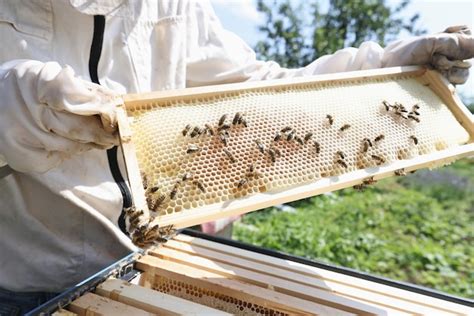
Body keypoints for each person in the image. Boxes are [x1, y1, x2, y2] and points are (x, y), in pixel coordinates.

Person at [0, 0, 472, 313]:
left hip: (138, 263)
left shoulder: (175, 6)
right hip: (14, 284)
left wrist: (390, 70)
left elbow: (258, 91)